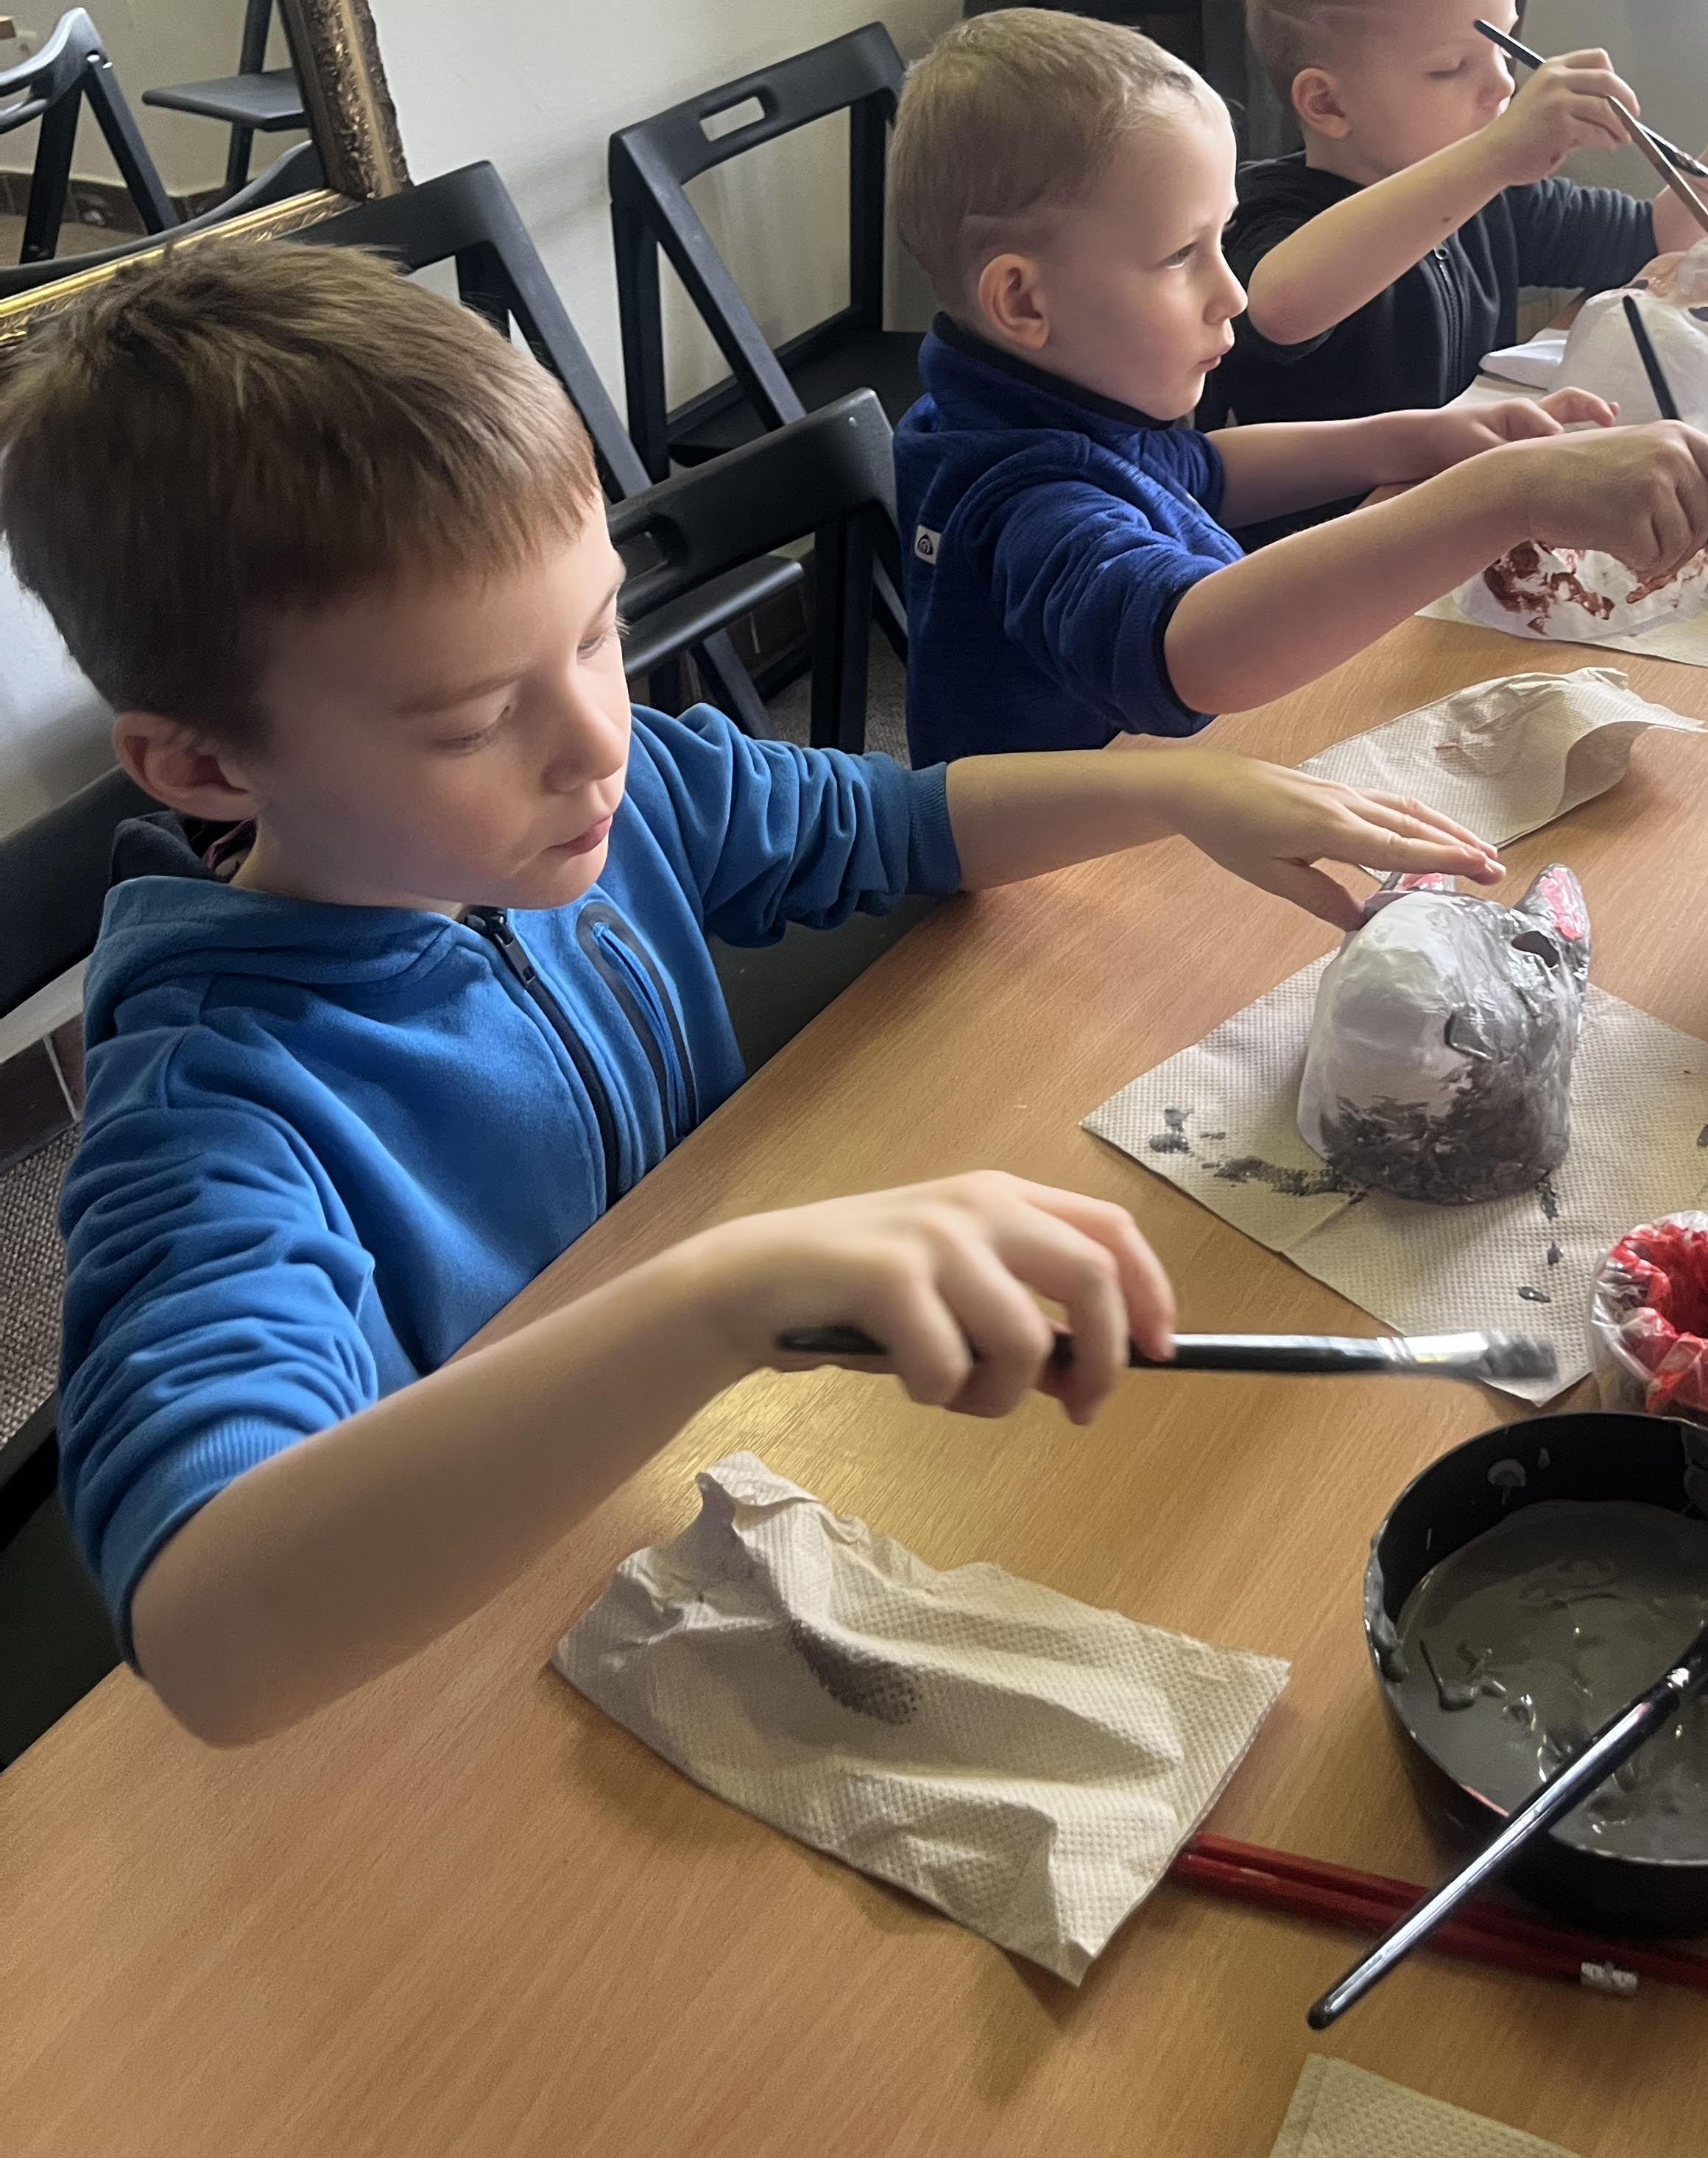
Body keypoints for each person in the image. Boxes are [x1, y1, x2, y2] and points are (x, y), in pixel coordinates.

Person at [0, 241, 1506, 1743]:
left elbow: (900, 824)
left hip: (710, 1489)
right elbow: (209, 1637)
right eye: (471, 722)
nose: (599, 739)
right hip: (473, 1664)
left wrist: (1178, 791)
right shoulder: (213, 1114)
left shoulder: (627, 792)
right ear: (203, 765)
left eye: (596, 632)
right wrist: (712, 1301)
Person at [889, 6, 1708, 765]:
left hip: (1163, 793)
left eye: (1221, 241)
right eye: (1182, 256)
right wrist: (1505, 494)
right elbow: (1191, 653)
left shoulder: (1033, 399)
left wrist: (1406, 441)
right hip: (1058, 882)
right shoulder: (1023, 495)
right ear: (1023, 301)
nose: (1232, 293)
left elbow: (1198, 471)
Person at [1204, 0, 1708, 431]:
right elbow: (1280, 308)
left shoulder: (1495, 197)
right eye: (1450, 68)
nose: (1503, 86)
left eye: (1503, 50)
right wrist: (1494, 157)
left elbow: (1655, 239)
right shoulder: (1262, 214)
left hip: (1469, 494)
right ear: (1329, 104)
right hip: (1351, 517)